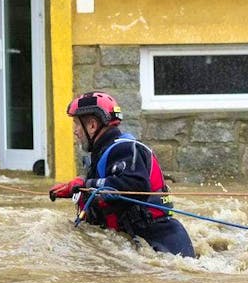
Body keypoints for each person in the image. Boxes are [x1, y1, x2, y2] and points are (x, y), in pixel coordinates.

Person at [49, 92, 196, 258]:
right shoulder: (104, 153)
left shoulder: (125, 149)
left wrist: (86, 184)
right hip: (138, 242)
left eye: (76, 124)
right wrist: (79, 187)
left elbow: (135, 184)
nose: (75, 131)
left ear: (91, 125)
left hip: (163, 241)